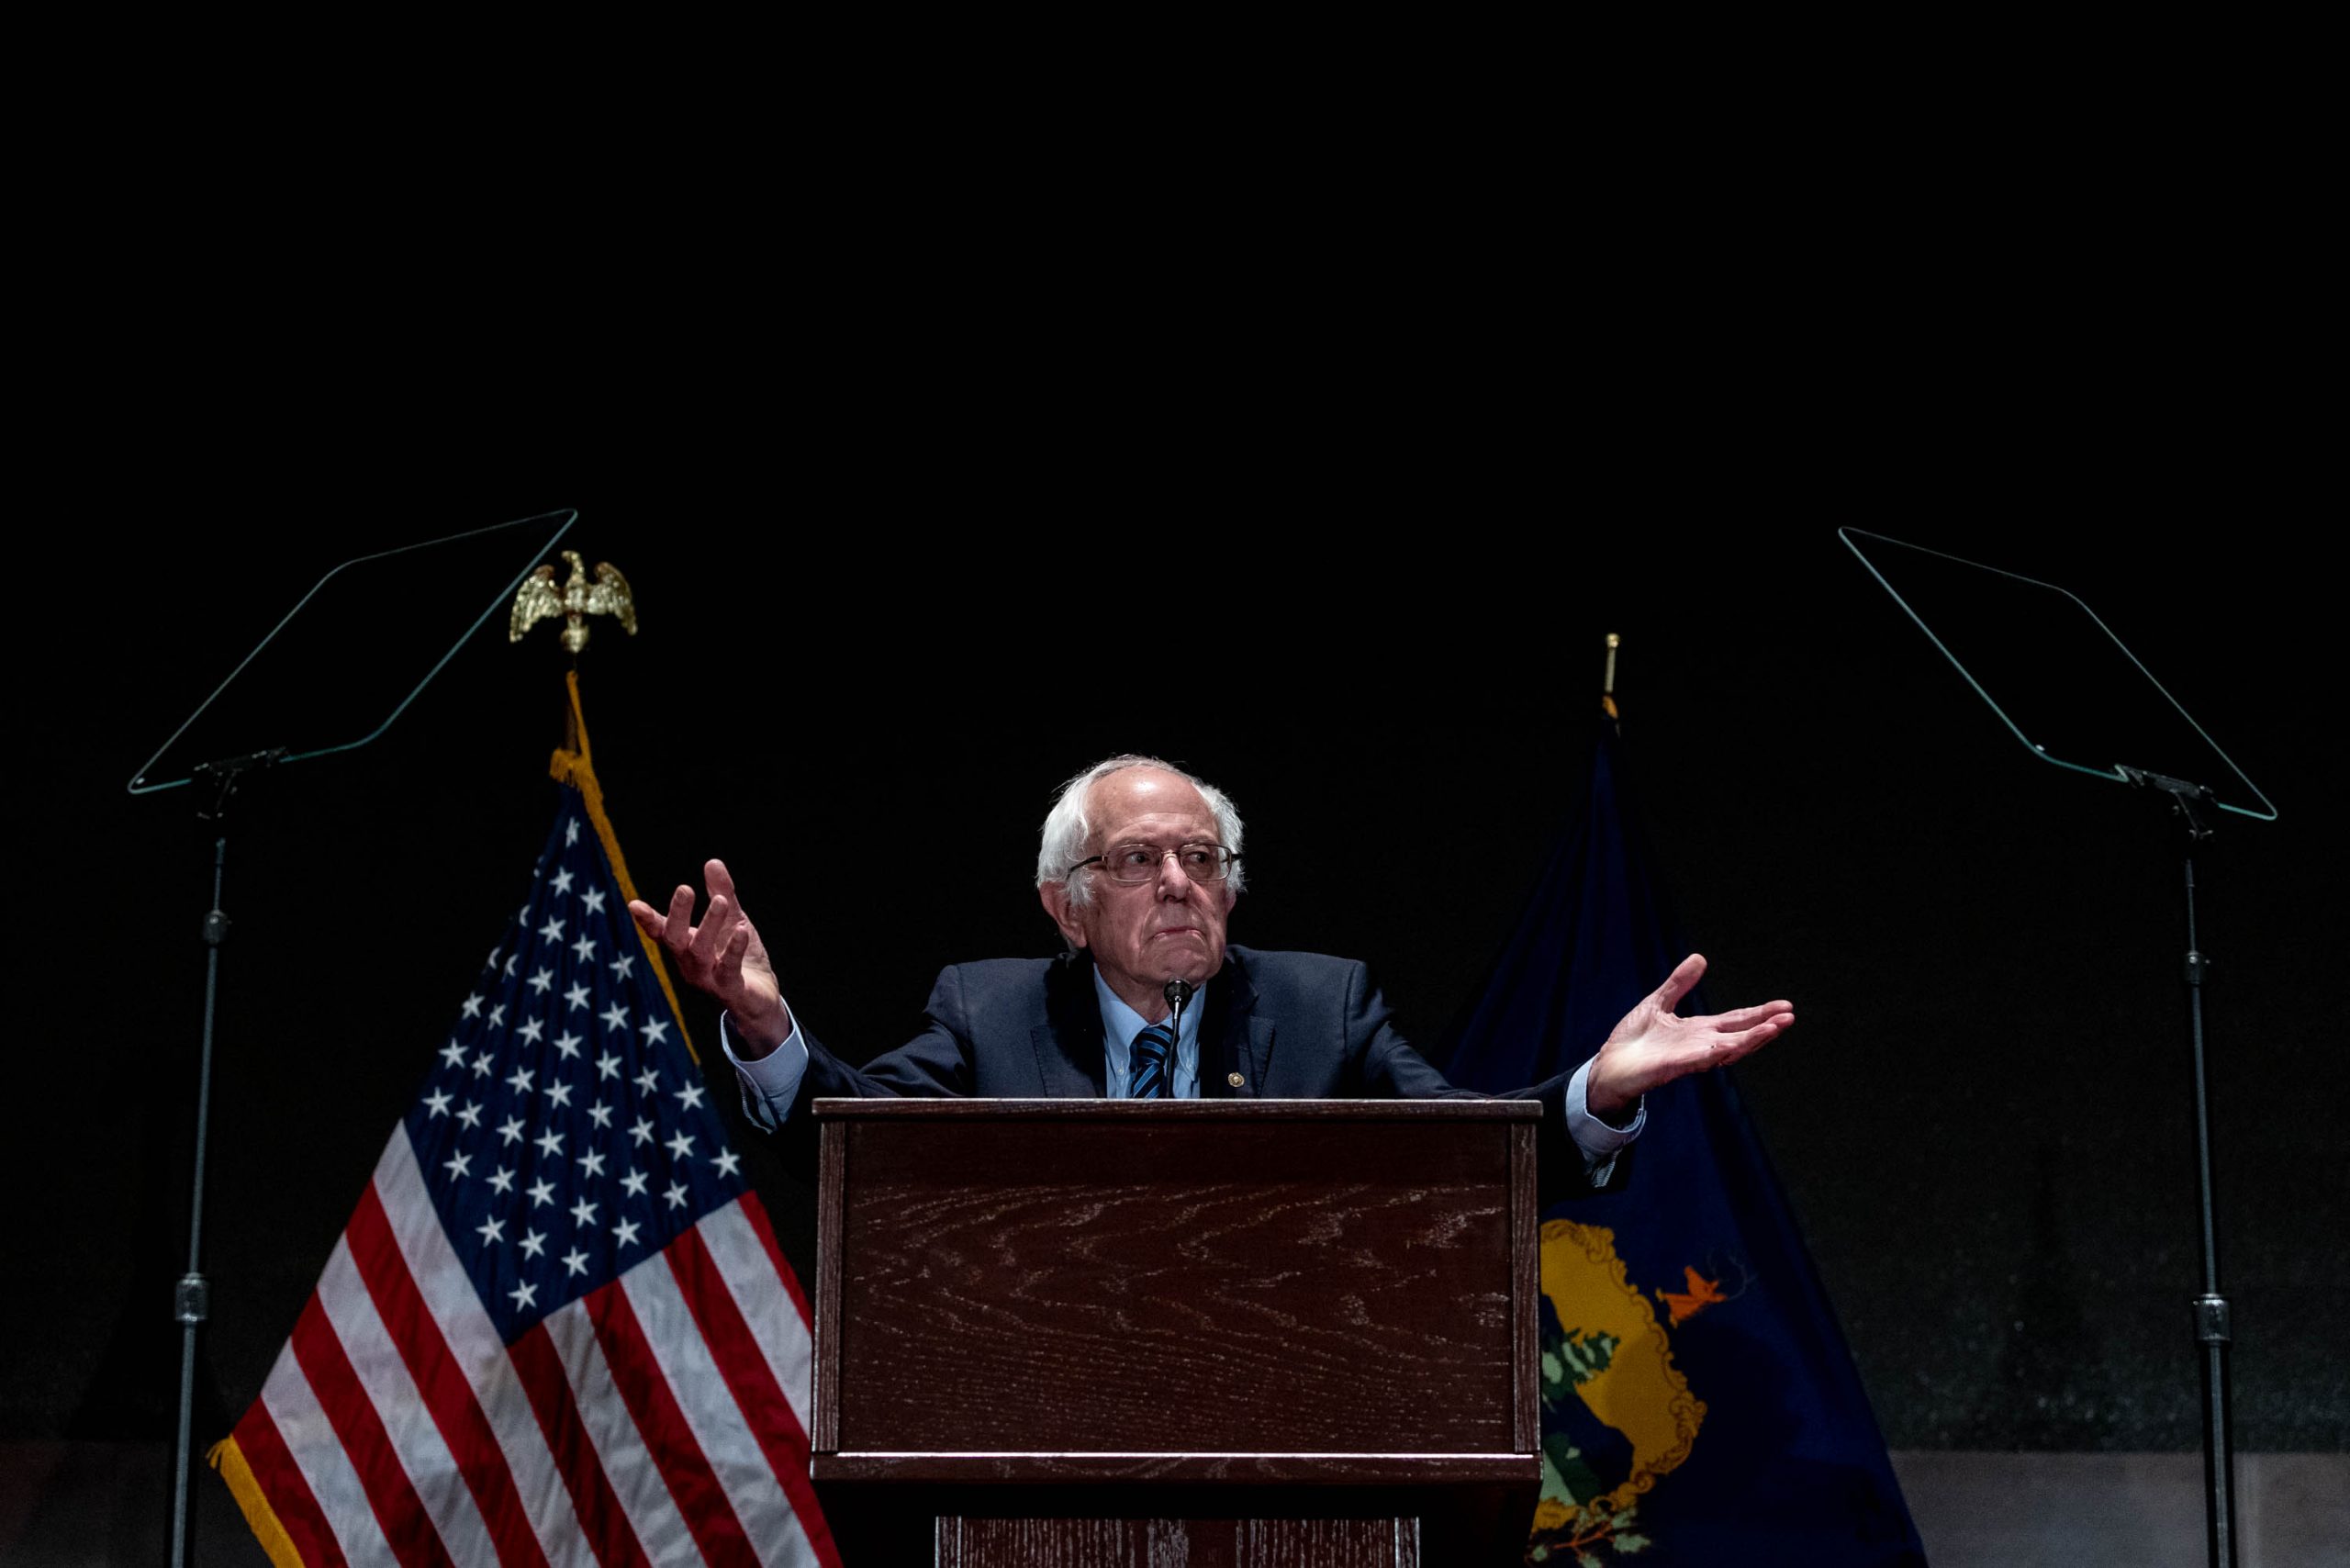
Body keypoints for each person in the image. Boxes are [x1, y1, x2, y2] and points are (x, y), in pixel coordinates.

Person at [628, 755, 1793, 1185]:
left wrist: (1597, 1087)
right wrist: (770, 1029)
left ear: (1231, 889)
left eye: (1201, 857)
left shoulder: (1319, 1002)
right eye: (1138, 861)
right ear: (1066, 908)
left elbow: (1469, 1148)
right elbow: (858, 1142)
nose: (1179, 880)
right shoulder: (985, 1009)